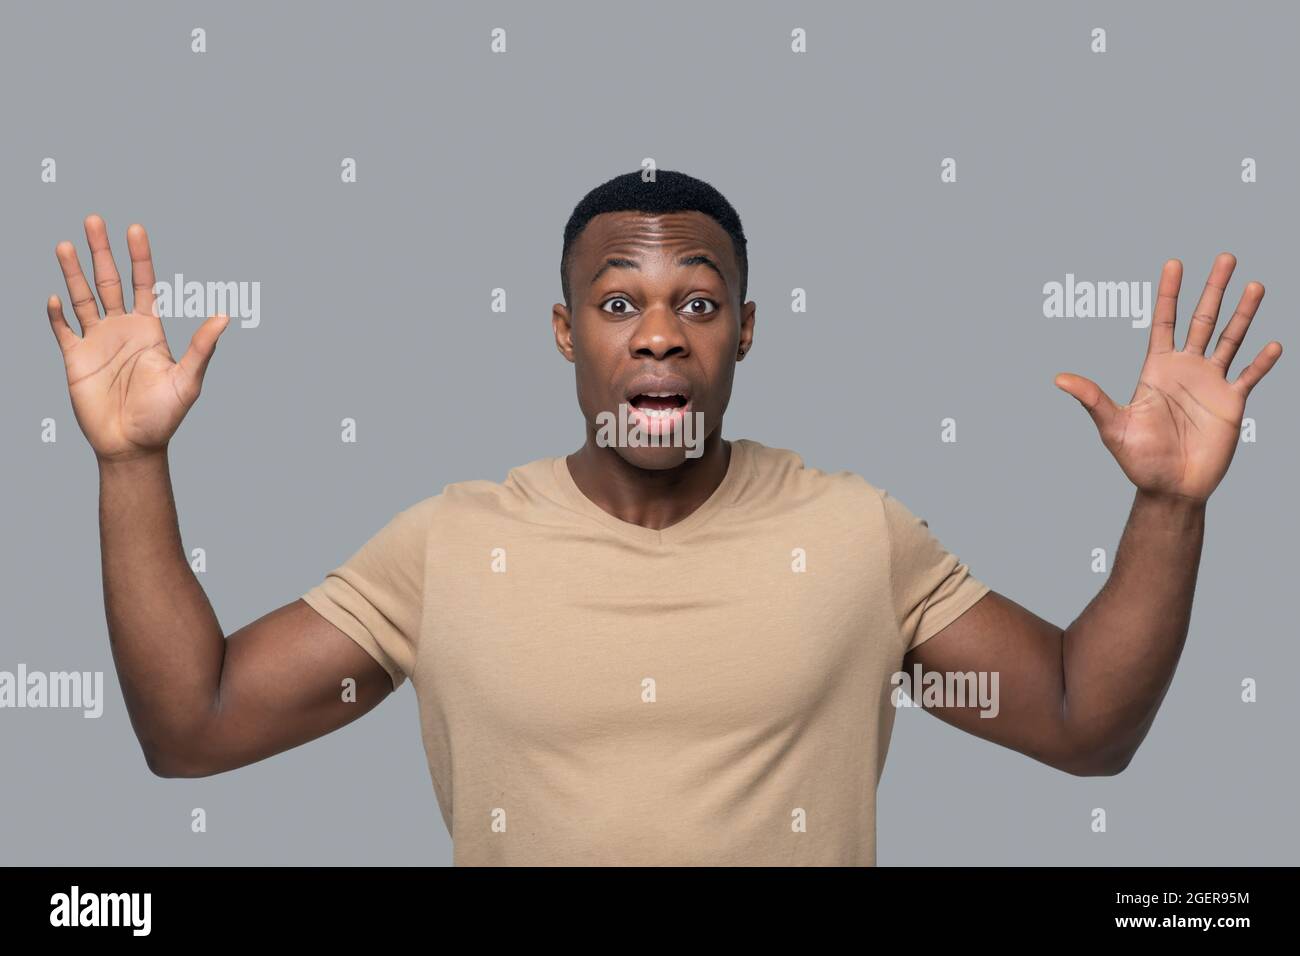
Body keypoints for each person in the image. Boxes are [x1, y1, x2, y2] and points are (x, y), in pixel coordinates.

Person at [45, 170, 1283, 865]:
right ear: (565, 332)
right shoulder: (450, 543)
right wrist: (132, 466)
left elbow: (1083, 723)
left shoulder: (854, 532)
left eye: (697, 301)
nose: (655, 330)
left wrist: (1167, 506)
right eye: (616, 298)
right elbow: (192, 729)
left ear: (742, 332)